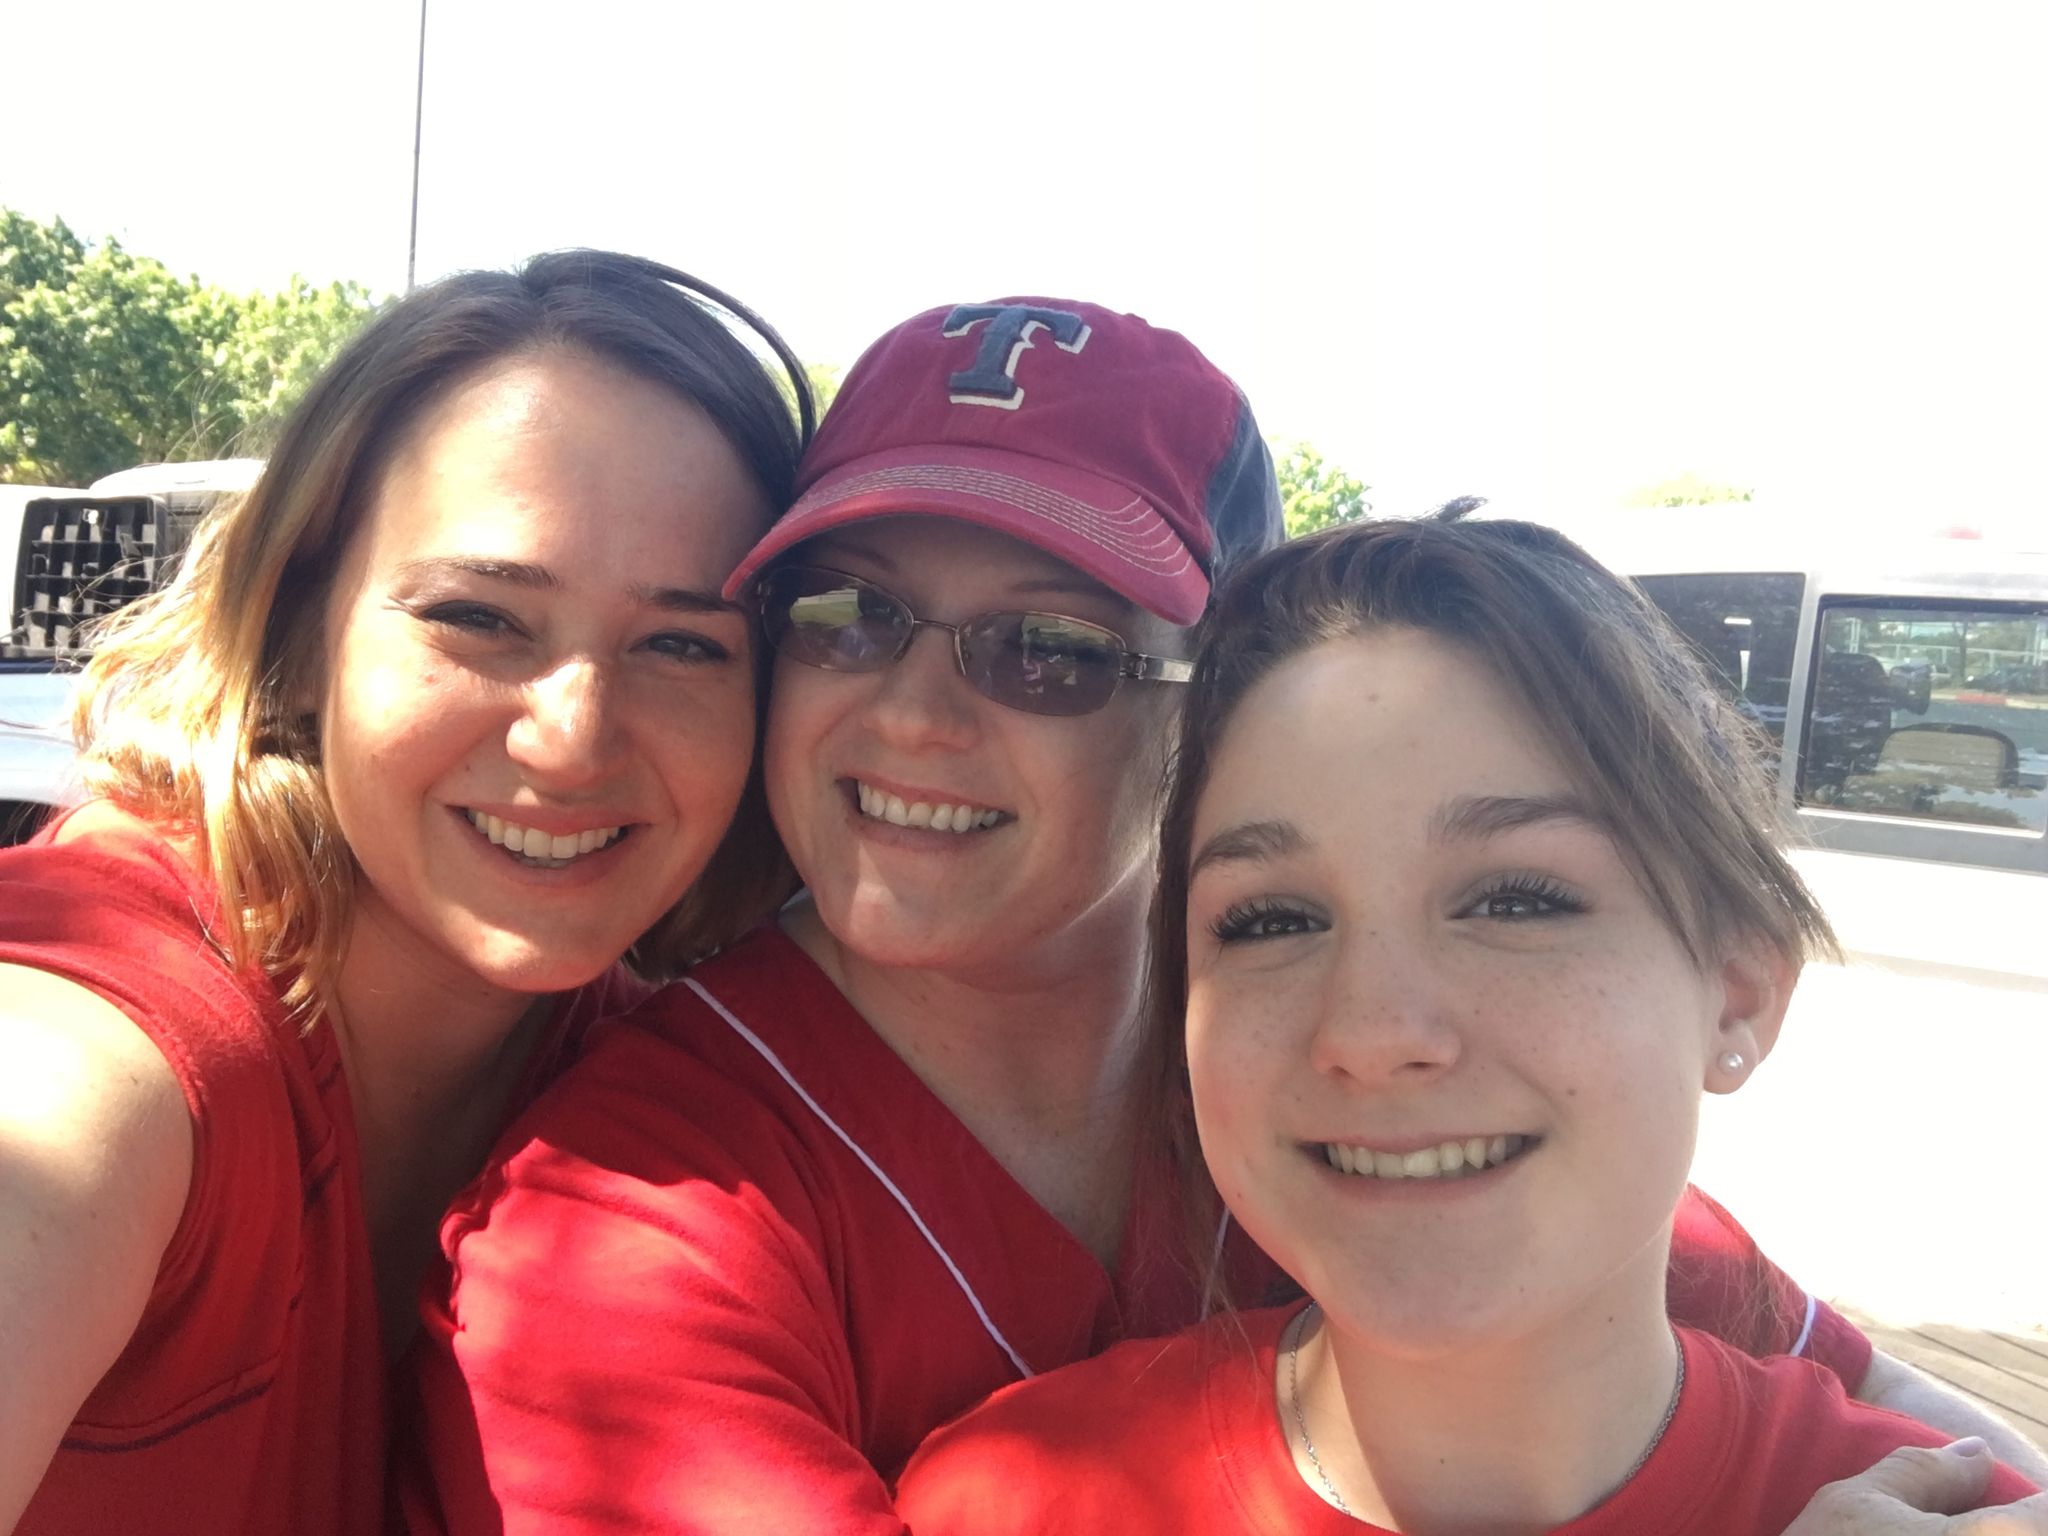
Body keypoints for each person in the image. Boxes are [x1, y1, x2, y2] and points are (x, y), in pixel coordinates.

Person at [401, 300, 2024, 1536]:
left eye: (1048, 649)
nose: (908, 714)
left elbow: (1894, 1414)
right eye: (850, 616)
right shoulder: (625, 1224)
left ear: (1215, 715)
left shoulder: (1341, 1087)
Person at [893, 512, 2045, 1532]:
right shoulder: (1005, 1505)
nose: (1370, 1030)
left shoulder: (1957, 1514)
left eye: (1514, 899)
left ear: (1736, 989)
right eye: (1269, 920)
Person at [0, 250, 810, 1536]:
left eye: (680, 643)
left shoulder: (668, 1101)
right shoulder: (105, 1035)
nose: (572, 740)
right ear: (296, 632)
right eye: (480, 619)